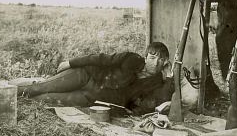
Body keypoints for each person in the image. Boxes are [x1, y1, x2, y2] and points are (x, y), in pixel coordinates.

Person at [11, 42, 173, 111]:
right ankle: (4, 93)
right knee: (41, 87)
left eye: (160, 59)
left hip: (92, 98)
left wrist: (170, 76)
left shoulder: (157, 83)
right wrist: (71, 63)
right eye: (152, 57)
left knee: (45, 98)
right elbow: (101, 59)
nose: (155, 63)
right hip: (85, 75)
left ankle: (13, 102)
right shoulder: (131, 58)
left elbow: (157, 104)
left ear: (165, 62)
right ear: (145, 57)